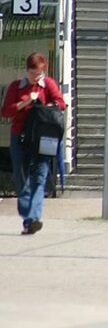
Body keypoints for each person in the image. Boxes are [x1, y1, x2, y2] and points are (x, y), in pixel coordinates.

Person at [1, 53, 66, 235]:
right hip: (20, 138)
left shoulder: (49, 85)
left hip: (42, 139)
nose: (35, 77)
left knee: (39, 178)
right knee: (22, 180)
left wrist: (48, 105)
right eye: (32, 73)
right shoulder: (17, 86)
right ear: (27, 70)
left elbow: (61, 104)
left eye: (38, 74)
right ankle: (28, 217)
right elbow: (6, 111)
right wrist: (25, 102)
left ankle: (33, 219)